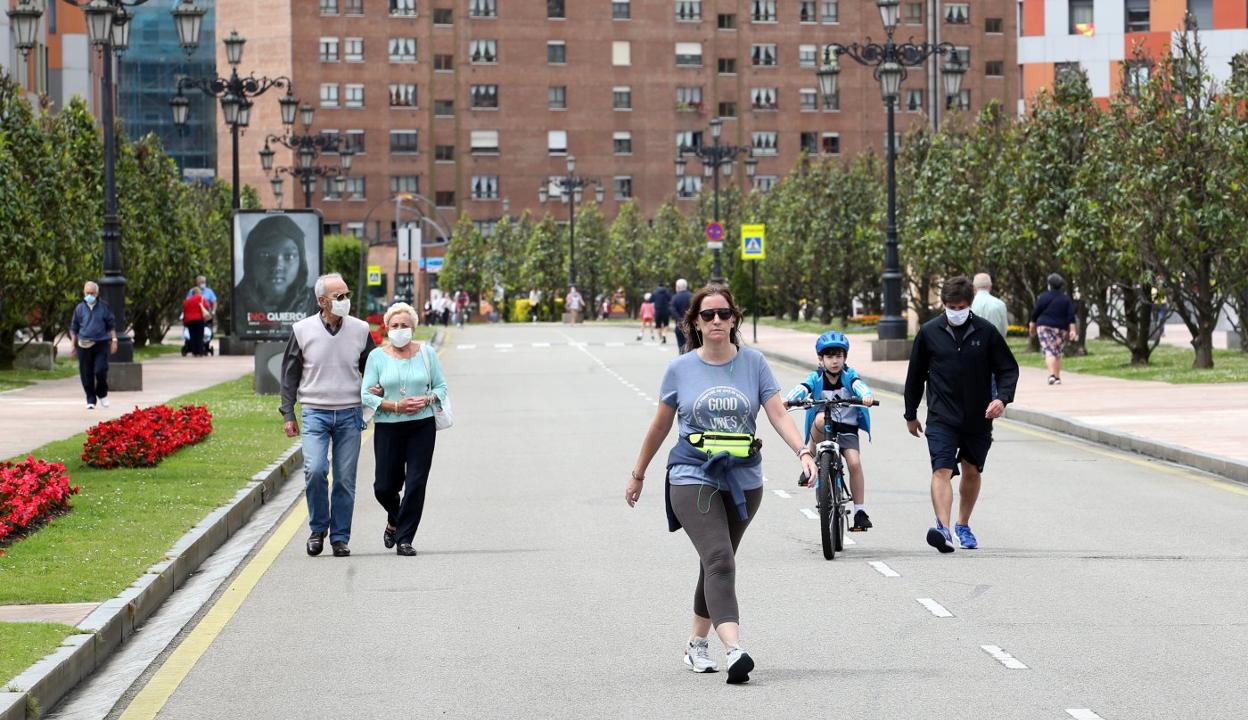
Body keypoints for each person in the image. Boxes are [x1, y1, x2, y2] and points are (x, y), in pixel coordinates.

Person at [627, 286, 817, 685]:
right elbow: (660, 425)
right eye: (708, 315)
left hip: (744, 481)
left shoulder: (755, 363)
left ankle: (696, 644)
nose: (716, 321)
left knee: (716, 562)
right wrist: (639, 473)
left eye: (724, 314)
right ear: (695, 321)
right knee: (719, 558)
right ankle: (735, 649)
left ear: (735, 319)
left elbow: (778, 413)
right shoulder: (680, 369)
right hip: (691, 474)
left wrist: (803, 451)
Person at [904, 276, 1019, 553]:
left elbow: (1008, 369)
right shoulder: (929, 332)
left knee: (971, 470)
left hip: (978, 416)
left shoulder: (986, 332)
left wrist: (1001, 399)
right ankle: (942, 529)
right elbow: (915, 375)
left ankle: (963, 524)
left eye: (961, 306)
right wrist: (911, 413)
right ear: (943, 304)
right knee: (941, 469)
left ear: (970, 304)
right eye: (951, 306)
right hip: (942, 416)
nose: (956, 311)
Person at [279, 273, 376, 558]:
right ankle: (318, 528)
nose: (346, 301)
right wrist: (288, 413)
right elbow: (289, 375)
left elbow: (372, 367)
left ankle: (340, 537)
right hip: (315, 414)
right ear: (322, 301)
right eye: (339, 296)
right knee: (315, 470)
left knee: (345, 478)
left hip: (349, 414)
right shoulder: (302, 330)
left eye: (347, 294)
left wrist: (377, 388)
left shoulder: (360, 329)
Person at [361, 302, 448, 557]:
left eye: (405, 326)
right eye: (395, 325)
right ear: (387, 328)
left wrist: (428, 399)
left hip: (422, 425)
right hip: (389, 426)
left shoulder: (427, 353)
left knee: (416, 482)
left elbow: (441, 387)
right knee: (384, 486)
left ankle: (405, 538)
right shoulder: (377, 357)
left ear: (413, 328)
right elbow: (366, 394)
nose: (400, 330)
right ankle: (394, 518)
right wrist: (394, 405)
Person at [783, 331, 875, 532]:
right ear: (821, 359)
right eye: (829, 356)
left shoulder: (848, 376)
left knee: (855, 463)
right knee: (817, 418)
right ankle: (813, 460)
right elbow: (803, 387)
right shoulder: (816, 377)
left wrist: (866, 395)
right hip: (823, 428)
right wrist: (788, 399)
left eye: (839, 356)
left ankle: (859, 511)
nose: (834, 361)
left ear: (845, 358)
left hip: (847, 429)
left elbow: (860, 386)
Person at [234, 215, 319, 337]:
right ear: (250, 260)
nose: (277, 266)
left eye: (289, 256)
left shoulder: (314, 304)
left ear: (301, 261)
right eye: (265, 255)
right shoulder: (237, 302)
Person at [69, 281, 118, 410]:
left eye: (92, 293)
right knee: (86, 373)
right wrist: (73, 345)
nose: (89, 295)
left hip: (101, 343)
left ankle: (102, 393)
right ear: (83, 293)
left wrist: (114, 340)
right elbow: (74, 327)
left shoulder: (104, 307)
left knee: (100, 370)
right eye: (87, 293)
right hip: (83, 345)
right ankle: (90, 399)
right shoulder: (79, 308)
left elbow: (111, 325)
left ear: (97, 293)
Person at [1029, 273, 1078, 386]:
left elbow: (1035, 313)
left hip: (1044, 327)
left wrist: (1032, 326)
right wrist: (1072, 330)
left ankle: (1052, 375)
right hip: (1061, 328)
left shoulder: (1043, 297)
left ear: (1049, 285)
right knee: (1057, 352)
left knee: (1048, 350)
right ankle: (1057, 377)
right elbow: (1071, 316)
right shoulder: (1065, 299)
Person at [971, 273, 1008, 338]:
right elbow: (1003, 330)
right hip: (995, 344)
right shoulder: (1000, 304)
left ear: (973, 287)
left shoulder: (968, 304)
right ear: (990, 286)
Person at [183, 286, 209, 357]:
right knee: (199, 336)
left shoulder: (187, 300)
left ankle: (194, 352)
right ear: (198, 292)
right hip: (199, 319)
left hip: (189, 320)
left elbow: (185, 310)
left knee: (192, 336)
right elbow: (206, 306)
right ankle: (200, 352)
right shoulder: (201, 299)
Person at [670, 278, 693, 352]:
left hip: (679, 325)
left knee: (681, 344)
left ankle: (682, 356)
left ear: (678, 287)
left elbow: (673, 310)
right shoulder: (692, 296)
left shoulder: (675, 298)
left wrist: (680, 319)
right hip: (691, 325)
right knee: (692, 344)